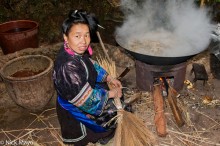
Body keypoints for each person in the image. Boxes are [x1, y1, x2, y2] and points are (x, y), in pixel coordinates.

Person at [53, 9, 126, 146]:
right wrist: (111, 93)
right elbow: (86, 99)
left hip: (84, 93)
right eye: (77, 36)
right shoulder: (67, 67)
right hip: (75, 109)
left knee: (119, 101)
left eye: (87, 35)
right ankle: (101, 135)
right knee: (111, 116)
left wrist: (109, 78)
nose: (84, 41)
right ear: (65, 37)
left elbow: (90, 66)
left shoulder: (72, 51)